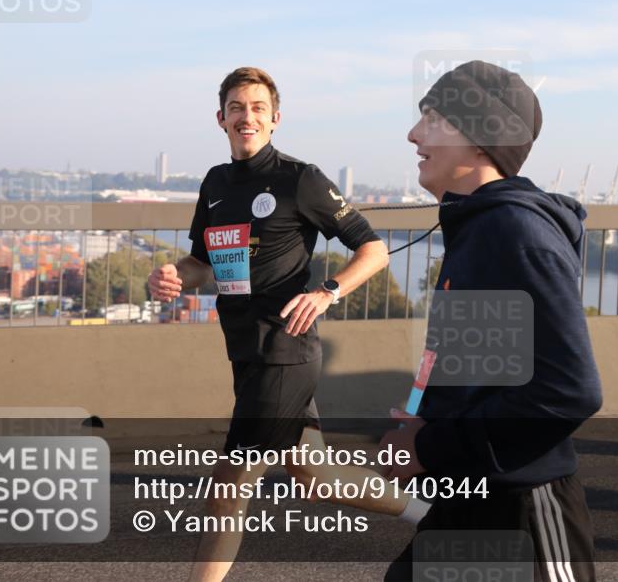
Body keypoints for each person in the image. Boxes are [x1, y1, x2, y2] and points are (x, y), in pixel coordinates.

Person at [147, 66, 428, 582]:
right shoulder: (215, 183)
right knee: (314, 474)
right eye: (236, 108)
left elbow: (373, 249)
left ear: (275, 119)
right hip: (246, 351)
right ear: (221, 119)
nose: (246, 117)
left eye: (257, 109)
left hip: (286, 351)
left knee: (228, 490)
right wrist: (172, 276)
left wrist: (327, 292)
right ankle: (431, 516)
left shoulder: (301, 179)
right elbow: (200, 263)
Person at [380, 60, 603, 581]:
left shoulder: (513, 232)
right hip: (471, 496)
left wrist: (429, 446)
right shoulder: (481, 229)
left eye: (433, 119)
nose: (414, 134)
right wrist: (429, 422)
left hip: (522, 513)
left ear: (482, 138)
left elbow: (568, 390)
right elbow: (489, 375)